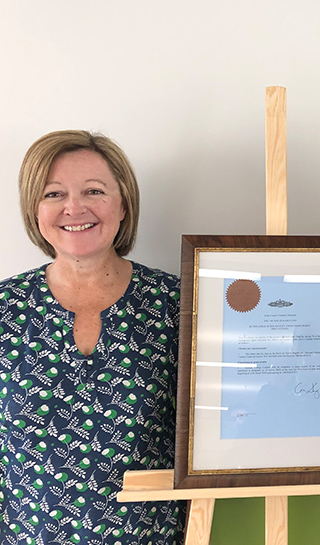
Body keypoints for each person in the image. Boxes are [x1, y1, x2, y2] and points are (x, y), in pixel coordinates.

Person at [0, 130, 186, 544]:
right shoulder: (5, 309)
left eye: (94, 190)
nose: (74, 207)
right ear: (34, 210)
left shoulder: (178, 305)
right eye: (53, 194)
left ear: (123, 205)